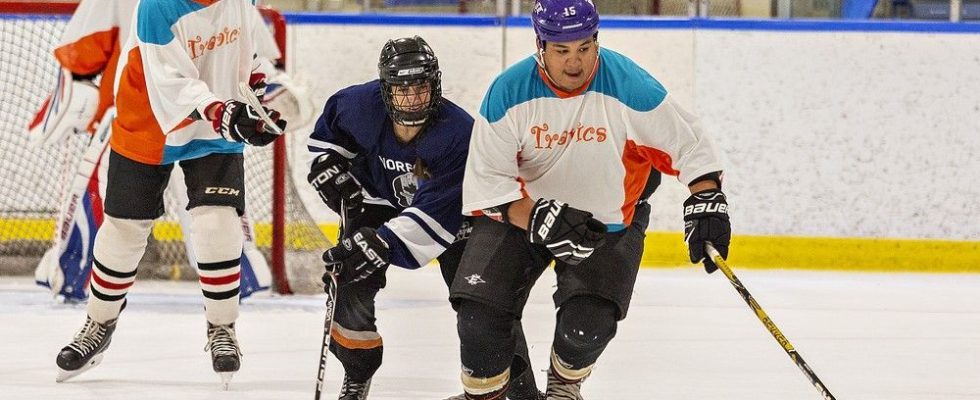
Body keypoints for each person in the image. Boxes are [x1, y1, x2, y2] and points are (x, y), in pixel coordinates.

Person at [448, 0, 732, 398]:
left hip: (606, 221)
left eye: (584, 48)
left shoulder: (631, 86)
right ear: (541, 46)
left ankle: (564, 385)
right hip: (521, 220)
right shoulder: (508, 93)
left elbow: (691, 148)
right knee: (479, 321)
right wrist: (538, 217)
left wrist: (707, 199)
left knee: (587, 328)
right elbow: (487, 186)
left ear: (596, 40)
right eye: (562, 51)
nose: (575, 63)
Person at [54, 0, 287, 388]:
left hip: (215, 122)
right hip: (148, 120)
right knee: (123, 232)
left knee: (218, 224)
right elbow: (171, 84)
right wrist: (228, 114)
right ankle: (99, 322)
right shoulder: (155, 7)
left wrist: (261, 97)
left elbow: (251, 52)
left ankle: (222, 328)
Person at [306, 36, 542, 400]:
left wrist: (381, 242)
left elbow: (432, 215)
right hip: (377, 200)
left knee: (481, 298)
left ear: (436, 84)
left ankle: (519, 391)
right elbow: (326, 141)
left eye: (421, 87)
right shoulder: (357, 105)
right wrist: (326, 166)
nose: (413, 98)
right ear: (386, 90)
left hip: (451, 212)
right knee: (350, 275)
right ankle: (357, 371)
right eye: (402, 89)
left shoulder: (459, 133)